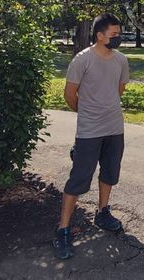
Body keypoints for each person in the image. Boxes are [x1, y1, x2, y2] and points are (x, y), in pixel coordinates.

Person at [53, 13, 130, 260]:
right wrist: (85, 111)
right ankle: (63, 229)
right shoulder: (82, 59)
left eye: (119, 34)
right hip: (89, 131)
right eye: (113, 34)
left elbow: (119, 90)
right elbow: (69, 94)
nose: (118, 38)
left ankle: (103, 212)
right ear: (99, 35)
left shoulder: (121, 60)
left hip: (114, 128)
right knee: (78, 178)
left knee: (110, 172)